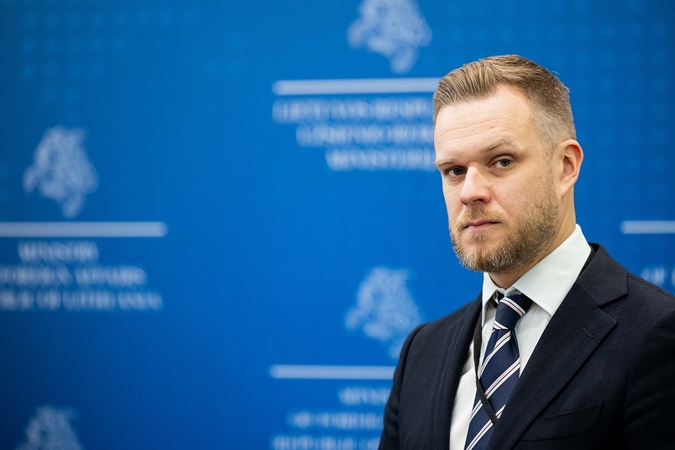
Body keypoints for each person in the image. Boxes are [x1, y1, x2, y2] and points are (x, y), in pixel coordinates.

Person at [379, 54, 675, 449]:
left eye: (501, 161)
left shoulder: (656, 333)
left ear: (565, 166)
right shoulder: (422, 350)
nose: (470, 192)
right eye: (454, 171)